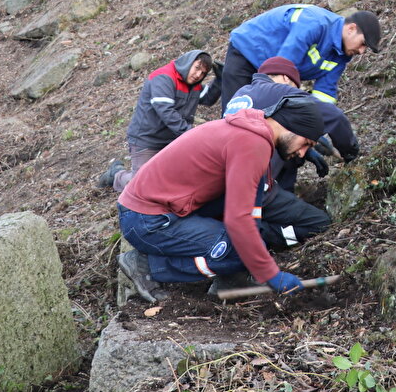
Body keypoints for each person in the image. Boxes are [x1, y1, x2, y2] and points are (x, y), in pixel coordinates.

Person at [116, 95, 327, 302]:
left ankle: (231, 278)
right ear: (293, 127)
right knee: (236, 251)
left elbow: (250, 205)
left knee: (247, 246)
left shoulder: (250, 133)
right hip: (148, 219)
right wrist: (270, 275)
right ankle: (147, 265)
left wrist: (255, 254)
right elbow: (239, 219)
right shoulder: (252, 144)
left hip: (157, 209)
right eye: (305, 143)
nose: (302, 154)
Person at [224, 56, 361, 192]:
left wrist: (305, 149)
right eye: (296, 86)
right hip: (254, 185)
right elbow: (334, 117)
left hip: (225, 171)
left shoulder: (241, 94)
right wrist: (350, 153)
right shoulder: (280, 91)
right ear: (286, 78)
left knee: (287, 149)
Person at [98, 49, 221, 191]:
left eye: (203, 73)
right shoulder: (163, 77)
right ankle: (117, 175)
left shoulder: (194, 85)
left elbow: (208, 98)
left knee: (179, 179)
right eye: (197, 68)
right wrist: (191, 134)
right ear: (188, 63)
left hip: (173, 140)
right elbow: (166, 111)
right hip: (147, 139)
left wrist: (221, 79)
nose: (198, 75)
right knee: (142, 186)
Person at [218, 4, 381, 111]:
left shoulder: (342, 56)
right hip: (248, 53)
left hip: (273, 69)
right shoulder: (314, 23)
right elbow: (281, 69)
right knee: (236, 114)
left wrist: (319, 127)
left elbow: (324, 94)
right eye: (363, 44)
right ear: (351, 29)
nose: (361, 52)